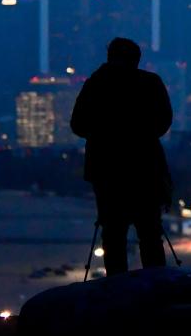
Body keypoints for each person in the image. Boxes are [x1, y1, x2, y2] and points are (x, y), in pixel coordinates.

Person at [70, 38, 173, 275]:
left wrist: (105, 135)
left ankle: (117, 286)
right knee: (149, 231)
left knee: (113, 233)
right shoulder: (150, 83)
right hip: (145, 168)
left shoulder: (96, 84)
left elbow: (78, 124)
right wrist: (140, 136)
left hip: (107, 170)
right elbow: (163, 121)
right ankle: (157, 284)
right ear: (136, 59)